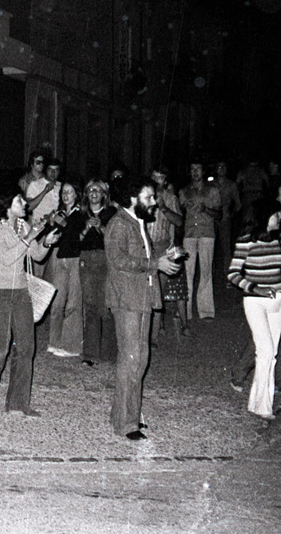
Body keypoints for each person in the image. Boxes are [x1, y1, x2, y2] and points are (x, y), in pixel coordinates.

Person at [105, 175, 180, 440]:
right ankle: (126, 424)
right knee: (132, 360)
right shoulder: (119, 224)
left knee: (139, 359)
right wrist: (155, 264)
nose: (154, 202)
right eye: (148, 197)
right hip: (127, 300)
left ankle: (126, 415)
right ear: (132, 198)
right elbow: (118, 260)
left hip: (141, 297)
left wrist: (163, 257)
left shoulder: (137, 222)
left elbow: (140, 257)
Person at [0, 189, 59, 416]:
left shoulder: (23, 226)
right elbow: (7, 258)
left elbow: (37, 255)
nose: (25, 204)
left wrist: (46, 242)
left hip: (21, 292)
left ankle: (18, 403)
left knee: (26, 347)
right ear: (8, 204)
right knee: (0, 348)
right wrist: (29, 238)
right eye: (20, 200)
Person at [226, 198, 281, 421]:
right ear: (264, 217)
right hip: (254, 301)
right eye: (277, 214)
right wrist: (256, 288)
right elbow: (233, 274)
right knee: (265, 350)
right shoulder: (246, 242)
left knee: (271, 354)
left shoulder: (278, 241)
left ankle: (260, 404)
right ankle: (261, 405)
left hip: (277, 300)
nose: (280, 218)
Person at [79, 179, 117, 366]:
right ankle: (90, 354)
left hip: (105, 260)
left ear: (104, 194)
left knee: (106, 306)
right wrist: (86, 228)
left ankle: (109, 353)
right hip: (86, 260)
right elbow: (75, 241)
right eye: (90, 190)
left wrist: (101, 227)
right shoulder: (81, 213)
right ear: (86, 194)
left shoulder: (111, 213)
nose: (94, 193)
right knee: (90, 305)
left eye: (98, 190)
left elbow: (115, 240)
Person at [44, 182, 84, 358]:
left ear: (76, 194)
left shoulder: (80, 213)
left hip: (75, 259)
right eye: (64, 192)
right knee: (57, 301)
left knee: (73, 303)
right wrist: (50, 223)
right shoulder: (59, 212)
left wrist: (64, 224)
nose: (66, 195)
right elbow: (52, 234)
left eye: (70, 192)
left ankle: (72, 346)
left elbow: (77, 236)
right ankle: (54, 341)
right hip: (60, 258)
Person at [179, 161, 222, 320]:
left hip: (206, 234)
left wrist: (206, 209)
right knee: (187, 272)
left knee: (206, 272)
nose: (195, 171)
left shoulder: (212, 191)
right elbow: (180, 214)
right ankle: (186, 311)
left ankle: (206, 310)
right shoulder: (183, 192)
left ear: (203, 171)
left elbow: (219, 215)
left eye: (198, 168)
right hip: (189, 235)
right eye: (192, 168)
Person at [150, 167, 187, 340]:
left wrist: (163, 208)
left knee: (158, 291)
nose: (157, 181)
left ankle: (154, 336)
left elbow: (179, 222)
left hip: (162, 246)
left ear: (165, 181)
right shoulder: (143, 195)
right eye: (154, 177)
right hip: (145, 246)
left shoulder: (171, 198)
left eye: (160, 178)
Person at [213, 161, 242, 274]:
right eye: (219, 167)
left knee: (226, 247)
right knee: (210, 246)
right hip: (211, 219)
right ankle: (210, 272)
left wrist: (232, 213)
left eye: (224, 167)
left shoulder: (231, 185)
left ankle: (228, 273)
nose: (222, 169)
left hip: (225, 219)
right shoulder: (210, 184)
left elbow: (238, 204)